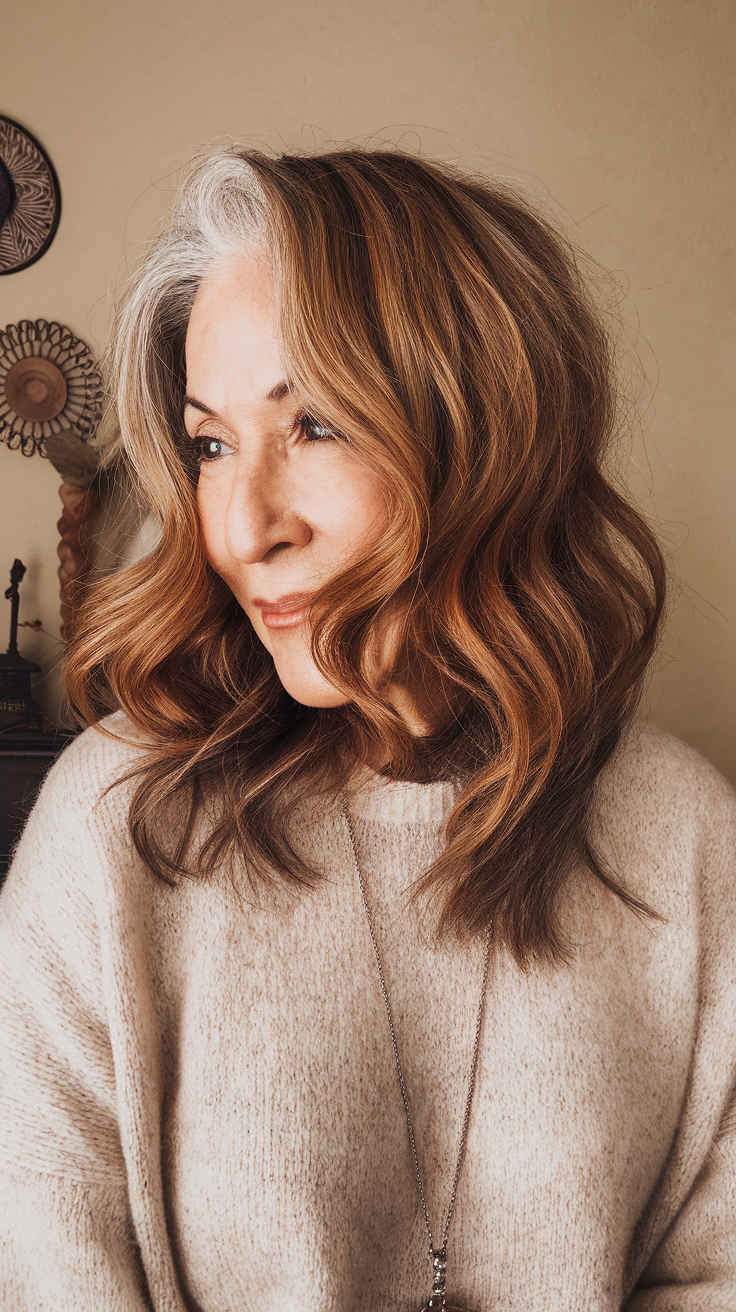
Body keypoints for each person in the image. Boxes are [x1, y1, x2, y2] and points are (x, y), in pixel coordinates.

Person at [0, 145, 734, 1312]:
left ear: (487, 432)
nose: (243, 527)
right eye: (211, 443)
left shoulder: (688, 840)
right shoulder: (111, 833)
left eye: (318, 426)